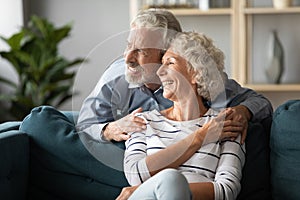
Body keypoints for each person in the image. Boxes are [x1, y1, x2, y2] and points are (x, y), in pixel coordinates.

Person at [77, 8, 273, 146]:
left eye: (141, 52)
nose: (128, 58)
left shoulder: (196, 77)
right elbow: (84, 126)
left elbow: (260, 102)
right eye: (129, 46)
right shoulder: (115, 77)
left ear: (166, 55)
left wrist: (243, 110)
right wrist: (110, 129)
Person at [117, 31, 246, 200]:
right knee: (170, 179)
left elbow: (226, 189)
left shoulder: (224, 124)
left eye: (170, 63)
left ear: (196, 73)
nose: (160, 71)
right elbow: (135, 174)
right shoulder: (144, 121)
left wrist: (173, 189)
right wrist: (200, 137)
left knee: (170, 180)